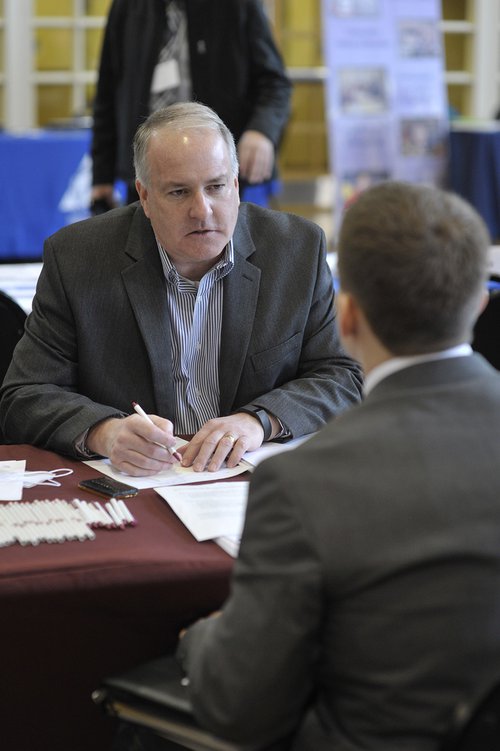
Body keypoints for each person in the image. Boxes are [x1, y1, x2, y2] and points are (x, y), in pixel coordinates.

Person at [168, 182, 500, 750]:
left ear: (346, 317)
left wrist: (199, 638)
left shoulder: (302, 484)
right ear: (480, 302)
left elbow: (241, 708)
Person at [0, 102, 362, 475]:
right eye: (178, 192)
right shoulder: (77, 258)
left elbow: (341, 375)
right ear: (144, 197)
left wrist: (258, 422)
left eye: (216, 187)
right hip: (137, 487)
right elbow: (24, 396)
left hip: (252, 484)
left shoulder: (296, 250)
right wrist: (106, 433)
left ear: (236, 186)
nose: (202, 210)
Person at [90, 0, 292, 211]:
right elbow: (107, 92)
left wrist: (262, 130)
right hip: (146, 173)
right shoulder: (127, 6)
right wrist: (101, 177)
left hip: (220, 178)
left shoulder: (239, 5)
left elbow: (275, 84)